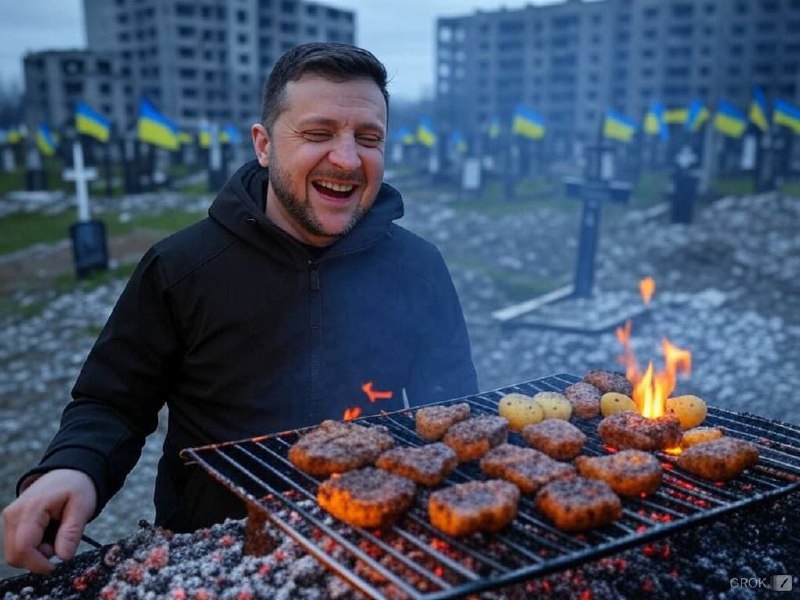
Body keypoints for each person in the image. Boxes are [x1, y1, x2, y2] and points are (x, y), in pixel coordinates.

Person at [3, 43, 477, 574]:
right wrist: (74, 468)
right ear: (264, 144)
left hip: (378, 546)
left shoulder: (418, 268)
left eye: (368, 138)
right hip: (218, 556)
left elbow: (454, 409)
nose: (346, 159)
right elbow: (111, 402)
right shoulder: (182, 266)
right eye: (318, 133)